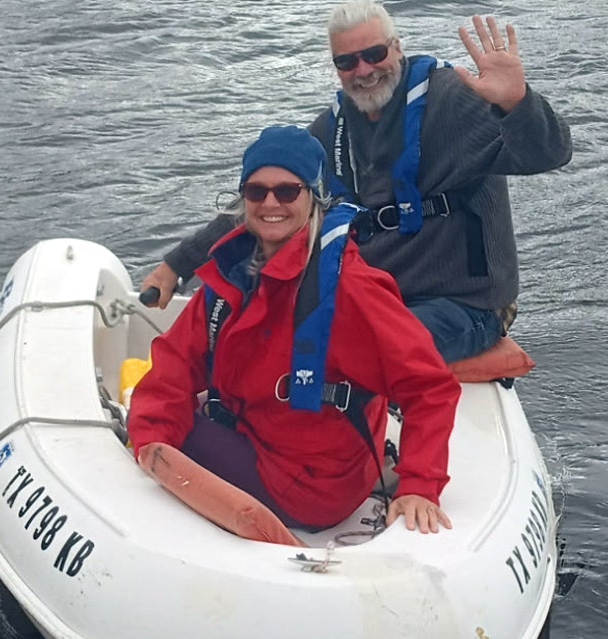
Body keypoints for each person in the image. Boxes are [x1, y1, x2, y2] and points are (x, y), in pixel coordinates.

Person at [141, 0, 572, 363]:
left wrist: (517, 103)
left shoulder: (456, 100)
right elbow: (265, 200)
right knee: (265, 328)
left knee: (347, 350)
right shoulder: (333, 129)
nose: (363, 70)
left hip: (465, 305)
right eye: (346, 61)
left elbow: (549, 153)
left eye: (374, 54)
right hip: (373, 296)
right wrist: (177, 265)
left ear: (397, 47)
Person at [128, 125, 460, 534]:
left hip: (307, 486)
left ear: (313, 198)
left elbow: (430, 386)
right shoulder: (232, 276)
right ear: (243, 198)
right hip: (274, 443)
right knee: (158, 415)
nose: (271, 203)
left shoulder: (349, 288)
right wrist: (152, 425)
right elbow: (176, 365)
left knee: (155, 439)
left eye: (287, 191)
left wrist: (421, 485)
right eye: (256, 191)